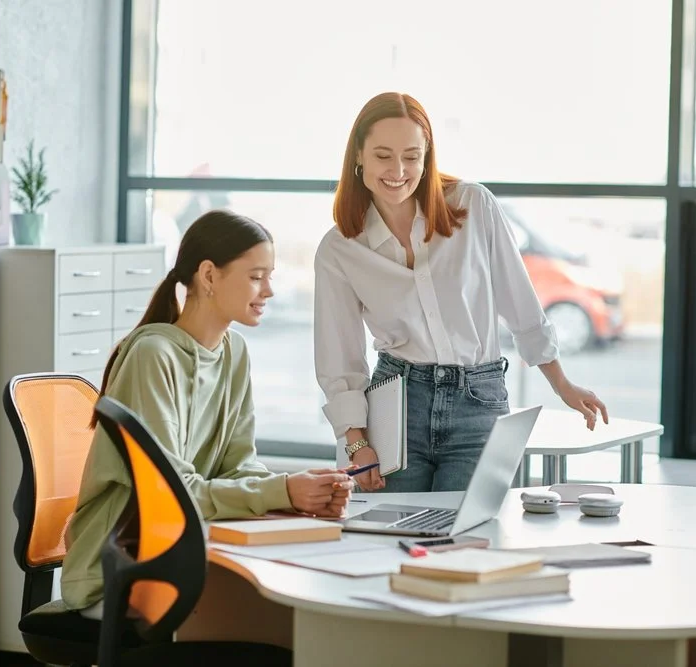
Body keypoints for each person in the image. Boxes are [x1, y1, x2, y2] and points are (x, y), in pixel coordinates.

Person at [62, 210, 355, 617]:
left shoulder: (234, 352)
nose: (269, 290)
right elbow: (171, 494)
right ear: (209, 276)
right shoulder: (153, 356)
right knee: (278, 614)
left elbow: (237, 466)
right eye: (256, 276)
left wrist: (298, 496)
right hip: (117, 568)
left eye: (270, 275)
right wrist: (282, 491)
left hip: (180, 544)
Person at [314, 92, 608, 494]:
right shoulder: (340, 248)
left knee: (470, 539)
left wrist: (562, 384)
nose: (398, 170)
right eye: (383, 155)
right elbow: (340, 358)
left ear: (427, 156)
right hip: (398, 407)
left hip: (479, 403)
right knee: (391, 538)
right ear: (359, 156)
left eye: (411, 156)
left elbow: (520, 305)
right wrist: (357, 442)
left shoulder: (472, 205)